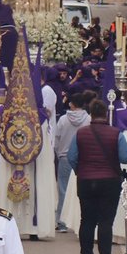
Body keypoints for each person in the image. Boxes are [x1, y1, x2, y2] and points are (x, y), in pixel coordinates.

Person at [68, 98, 127, 254]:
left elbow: (71, 157)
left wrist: (80, 170)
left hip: (85, 181)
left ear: (91, 114)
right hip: (109, 181)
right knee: (105, 221)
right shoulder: (116, 134)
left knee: (86, 220)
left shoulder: (80, 133)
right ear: (106, 114)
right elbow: (126, 157)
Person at [53, 92, 91, 233]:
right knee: (82, 190)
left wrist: (59, 152)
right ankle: (80, 220)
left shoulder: (63, 119)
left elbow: (57, 138)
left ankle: (61, 222)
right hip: (83, 157)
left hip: (65, 156)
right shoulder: (88, 119)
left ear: (71, 104)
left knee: (63, 189)